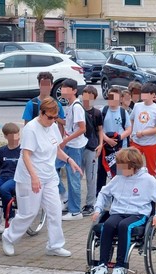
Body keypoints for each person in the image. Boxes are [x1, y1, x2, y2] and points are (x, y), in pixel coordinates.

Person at [1, 97, 82, 256]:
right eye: (49, 117)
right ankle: (8, 237)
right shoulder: (31, 129)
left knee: (55, 210)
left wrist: (69, 159)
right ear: (41, 113)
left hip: (49, 176)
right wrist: (34, 177)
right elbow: (26, 155)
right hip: (29, 177)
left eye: (55, 118)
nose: (52, 121)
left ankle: (54, 245)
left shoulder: (52, 127)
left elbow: (56, 149)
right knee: (28, 213)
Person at [90, 148, 156, 274]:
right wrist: (98, 209)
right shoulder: (118, 178)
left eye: (122, 166)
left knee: (124, 226)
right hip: (118, 212)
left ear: (133, 166)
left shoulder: (147, 180)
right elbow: (104, 193)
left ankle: (120, 267)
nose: (119, 169)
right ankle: (102, 265)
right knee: (108, 225)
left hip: (138, 214)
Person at [21, 71, 67, 205]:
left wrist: (60, 141)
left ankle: (59, 195)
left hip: (51, 146)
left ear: (52, 86)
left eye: (48, 85)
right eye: (43, 84)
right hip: (36, 146)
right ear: (39, 85)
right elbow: (27, 125)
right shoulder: (32, 104)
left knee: (53, 172)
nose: (45, 87)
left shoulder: (56, 104)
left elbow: (62, 123)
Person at [59, 78, 88, 221]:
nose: (63, 90)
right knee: (52, 168)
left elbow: (82, 128)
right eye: (62, 88)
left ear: (74, 91)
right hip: (69, 145)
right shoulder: (69, 105)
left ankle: (75, 211)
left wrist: (66, 140)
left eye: (66, 88)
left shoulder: (76, 106)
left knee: (74, 177)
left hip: (75, 146)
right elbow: (69, 124)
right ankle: (65, 197)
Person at [96, 88, 132, 193]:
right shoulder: (102, 111)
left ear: (120, 99)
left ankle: (119, 197)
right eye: (110, 97)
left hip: (120, 149)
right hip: (105, 149)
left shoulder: (123, 112)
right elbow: (99, 128)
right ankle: (100, 198)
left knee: (120, 174)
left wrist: (120, 137)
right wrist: (106, 139)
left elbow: (129, 129)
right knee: (102, 173)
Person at [129, 82, 156, 177]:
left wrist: (144, 133)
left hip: (150, 143)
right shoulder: (137, 106)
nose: (143, 95)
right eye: (142, 93)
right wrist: (131, 133)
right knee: (130, 165)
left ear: (153, 94)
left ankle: (151, 188)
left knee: (151, 169)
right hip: (136, 141)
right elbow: (131, 119)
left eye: (146, 93)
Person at [80, 85, 104, 216]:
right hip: (77, 148)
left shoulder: (96, 113)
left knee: (91, 176)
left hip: (92, 147)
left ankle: (90, 203)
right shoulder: (77, 109)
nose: (87, 99)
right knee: (76, 176)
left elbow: (100, 130)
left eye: (90, 96)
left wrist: (100, 145)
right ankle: (74, 203)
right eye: (85, 95)